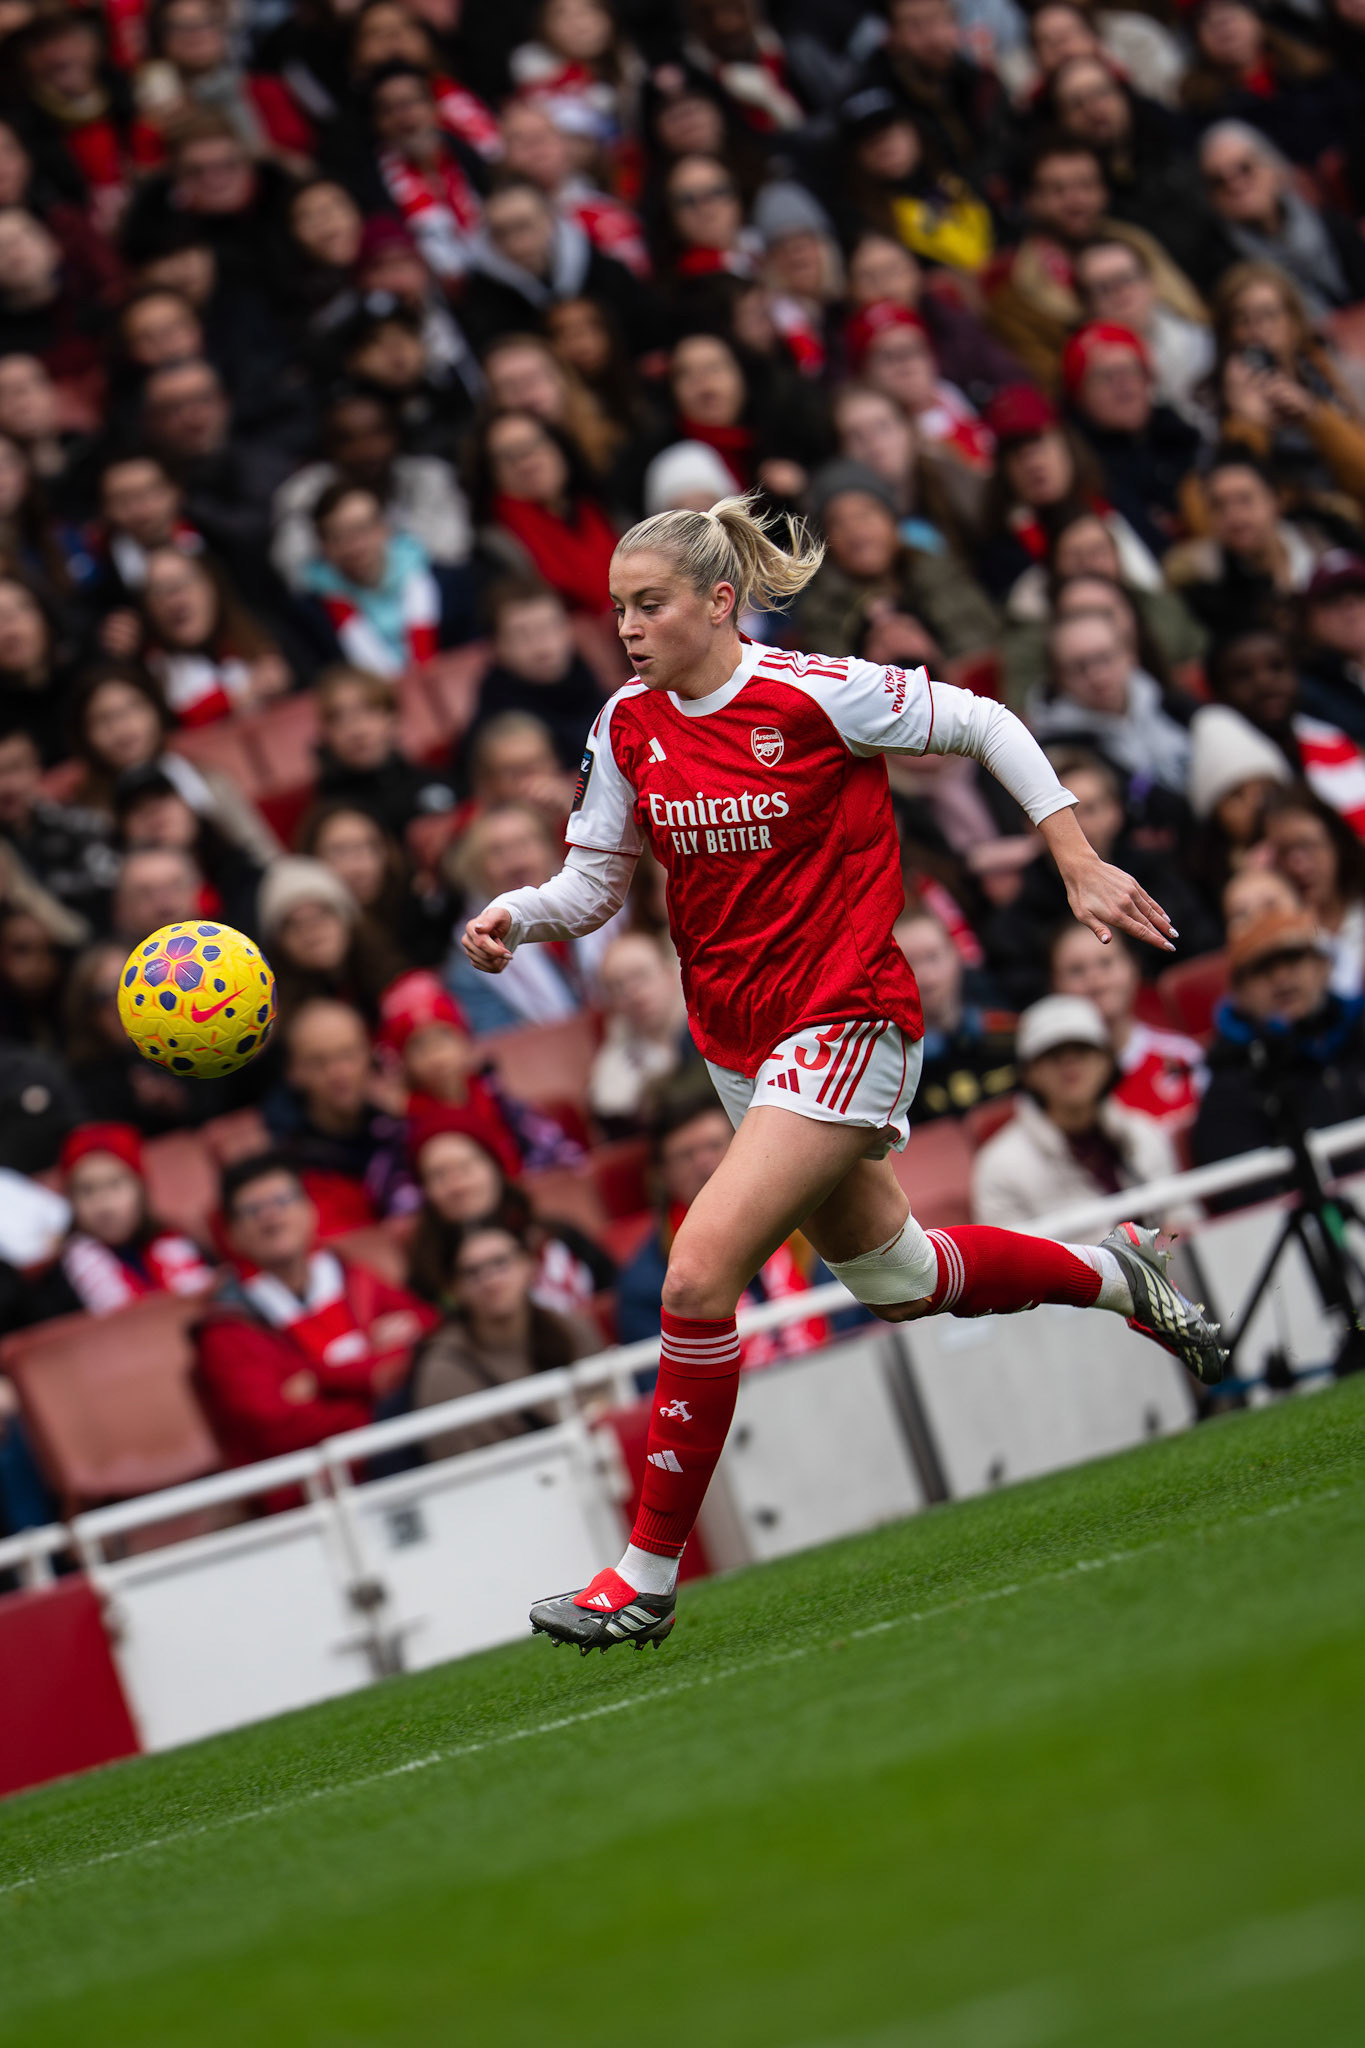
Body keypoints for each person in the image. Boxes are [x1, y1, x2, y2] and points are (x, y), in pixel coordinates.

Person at [459, 492, 1223, 1652]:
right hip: (733, 1038)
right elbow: (594, 885)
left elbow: (985, 722)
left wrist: (1073, 855)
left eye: (647, 603)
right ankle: (1120, 1277)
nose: (625, 626)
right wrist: (517, 913)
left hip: (849, 1013)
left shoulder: (812, 690)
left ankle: (645, 1575)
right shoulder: (625, 723)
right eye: (615, 607)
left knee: (696, 1272)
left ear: (720, 602)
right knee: (899, 1276)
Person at [193, 1151, 436, 1476]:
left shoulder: (355, 1277)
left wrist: (323, 1379)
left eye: (282, 1200)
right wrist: (387, 1387)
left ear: (311, 1211)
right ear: (232, 1235)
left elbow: (433, 1341)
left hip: (404, 1450)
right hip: (323, 1491)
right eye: (253, 1210)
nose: (271, 1217)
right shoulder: (225, 1331)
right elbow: (279, 1431)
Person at [1191, 907, 1365, 1209]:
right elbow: (1245, 1195)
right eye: (1263, 969)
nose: (1282, 977)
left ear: (1324, 966)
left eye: (1294, 958)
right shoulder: (1231, 1080)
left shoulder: (1360, 1032)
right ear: (1239, 991)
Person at [971, 991, 1183, 1227]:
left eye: (1081, 1050)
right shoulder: (1000, 1168)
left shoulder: (1144, 1133)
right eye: (1053, 1055)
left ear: (1106, 1061)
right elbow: (1011, 1262)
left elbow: (1183, 1223)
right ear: (1029, 1073)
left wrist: (1163, 1251)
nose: (1069, 1064)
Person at [407, 1218, 602, 1460]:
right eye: (472, 1272)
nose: (490, 1280)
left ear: (528, 1265)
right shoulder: (443, 1371)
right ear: (455, 1289)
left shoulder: (572, 1329)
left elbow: (611, 1409)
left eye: (501, 1263)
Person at [406, 1106, 615, 1317]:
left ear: (494, 1168)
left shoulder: (556, 1237)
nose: (457, 1186)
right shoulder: (427, 1274)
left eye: (465, 1168)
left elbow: (616, 1294)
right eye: (439, 1175)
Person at [50, 1121, 214, 1314]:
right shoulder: (61, 1283)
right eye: (87, 1191)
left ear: (140, 1188)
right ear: (70, 1200)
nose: (104, 1205)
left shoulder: (185, 1242)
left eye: (115, 1185)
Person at [1050, 920, 1206, 1124]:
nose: (1096, 981)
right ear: (1054, 986)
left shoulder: (1182, 1056)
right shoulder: (1052, 1087)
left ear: (1133, 967)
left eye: (1106, 963)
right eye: (1076, 971)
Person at [467, 580, 605, 771]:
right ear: (495, 646)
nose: (542, 647)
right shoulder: (494, 727)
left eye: (550, 627)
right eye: (521, 635)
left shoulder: (593, 684)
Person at [893, 907, 1016, 1120]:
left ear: (956, 956)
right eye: (908, 963)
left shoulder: (1009, 1033)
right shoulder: (892, 1065)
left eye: (933, 957)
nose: (925, 975)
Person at [588, 931, 694, 1134]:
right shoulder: (613, 1068)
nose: (633, 993)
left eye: (640, 976)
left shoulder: (709, 1028)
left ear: (670, 975)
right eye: (619, 987)